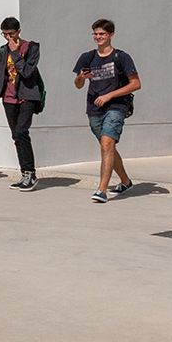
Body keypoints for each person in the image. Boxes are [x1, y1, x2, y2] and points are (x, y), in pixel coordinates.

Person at [72, 18, 139, 203]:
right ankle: (125, 181)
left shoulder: (121, 57)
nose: (98, 37)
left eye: (102, 34)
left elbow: (136, 84)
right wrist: (81, 78)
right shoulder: (87, 57)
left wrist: (110, 95)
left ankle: (102, 190)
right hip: (94, 108)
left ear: (111, 35)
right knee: (106, 146)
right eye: (95, 34)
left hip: (117, 107)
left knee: (107, 144)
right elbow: (77, 85)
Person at [0, 17, 43, 189]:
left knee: (21, 131)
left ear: (19, 31)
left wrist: (16, 53)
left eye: (11, 34)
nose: (8, 38)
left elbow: (27, 72)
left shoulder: (32, 48)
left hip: (28, 96)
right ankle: (24, 173)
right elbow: (0, 74)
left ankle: (30, 174)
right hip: (9, 98)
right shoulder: (2, 51)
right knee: (16, 136)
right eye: (5, 35)